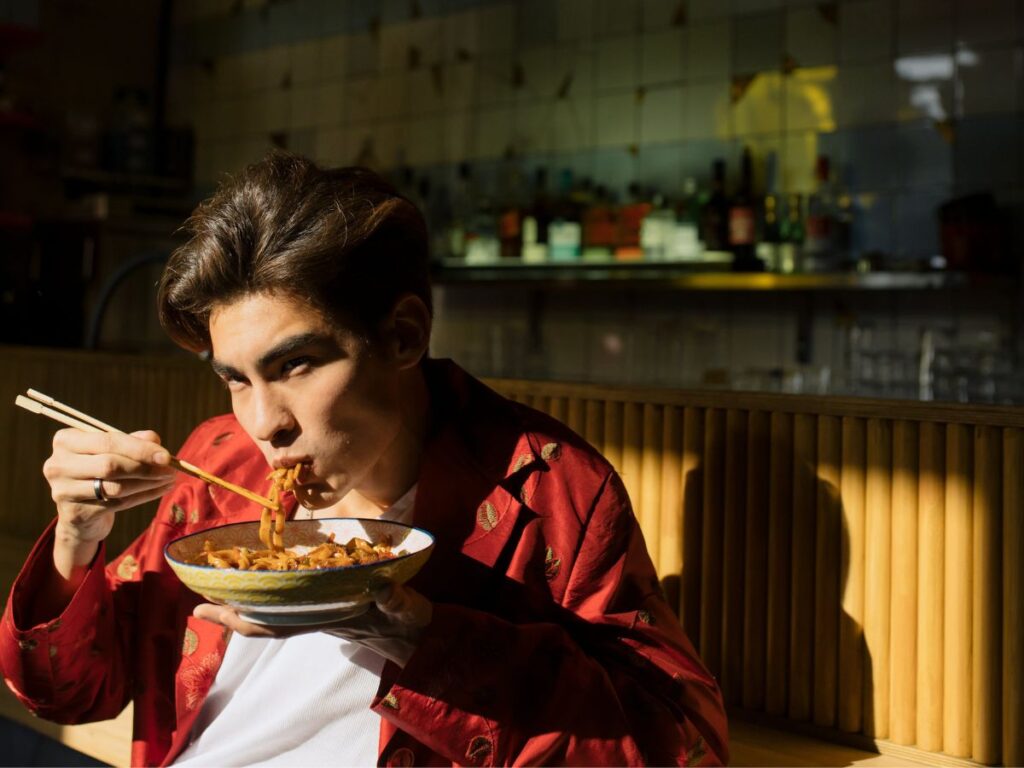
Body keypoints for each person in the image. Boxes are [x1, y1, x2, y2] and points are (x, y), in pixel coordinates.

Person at [0, 153, 728, 766]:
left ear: (403, 335)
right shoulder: (219, 464)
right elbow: (72, 692)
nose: (264, 424)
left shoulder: (546, 488)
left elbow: (683, 744)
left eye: (297, 367)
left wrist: (417, 635)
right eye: (233, 378)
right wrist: (76, 538)